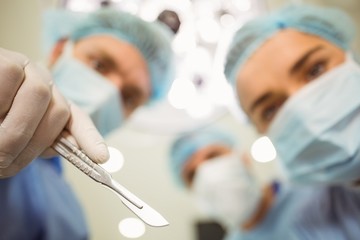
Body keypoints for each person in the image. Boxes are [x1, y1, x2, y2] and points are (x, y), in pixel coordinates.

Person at [0, 8, 174, 240]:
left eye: (129, 96)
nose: (108, 93)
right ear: (59, 49)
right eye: (99, 65)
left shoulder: (72, 218)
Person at [223, 3, 360, 185]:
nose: (305, 110)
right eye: (271, 110)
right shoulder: (323, 211)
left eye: (315, 71)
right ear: (261, 131)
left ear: (350, 55)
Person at [169, 127, 360, 240]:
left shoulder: (319, 188)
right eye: (192, 174)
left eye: (213, 156)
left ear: (242, 158)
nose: (207, 173)